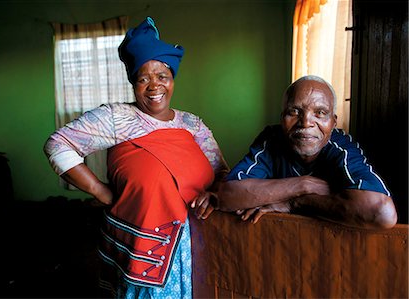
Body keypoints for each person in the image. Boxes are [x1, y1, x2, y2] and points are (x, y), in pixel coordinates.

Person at [44, 17, 228, 298]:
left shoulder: (193, 125)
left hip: (195, 243)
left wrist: (215, 193)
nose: (154, 86)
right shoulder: (117, 117)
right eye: (143, 78)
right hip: (144, 247)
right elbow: (58, 144)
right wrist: (101, 191)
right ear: (133, 83)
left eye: (162, 76)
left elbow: (222, 174)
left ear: (172, 79)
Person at [215, 75, 397, 229]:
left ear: (333, 123)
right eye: (294, 111)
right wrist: (304, 185)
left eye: (320, 113)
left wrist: (295, 202)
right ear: (282, 119)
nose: (305, 122)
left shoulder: (341, 147)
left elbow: (382, 214)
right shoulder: (271, 139)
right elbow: (228, 196)